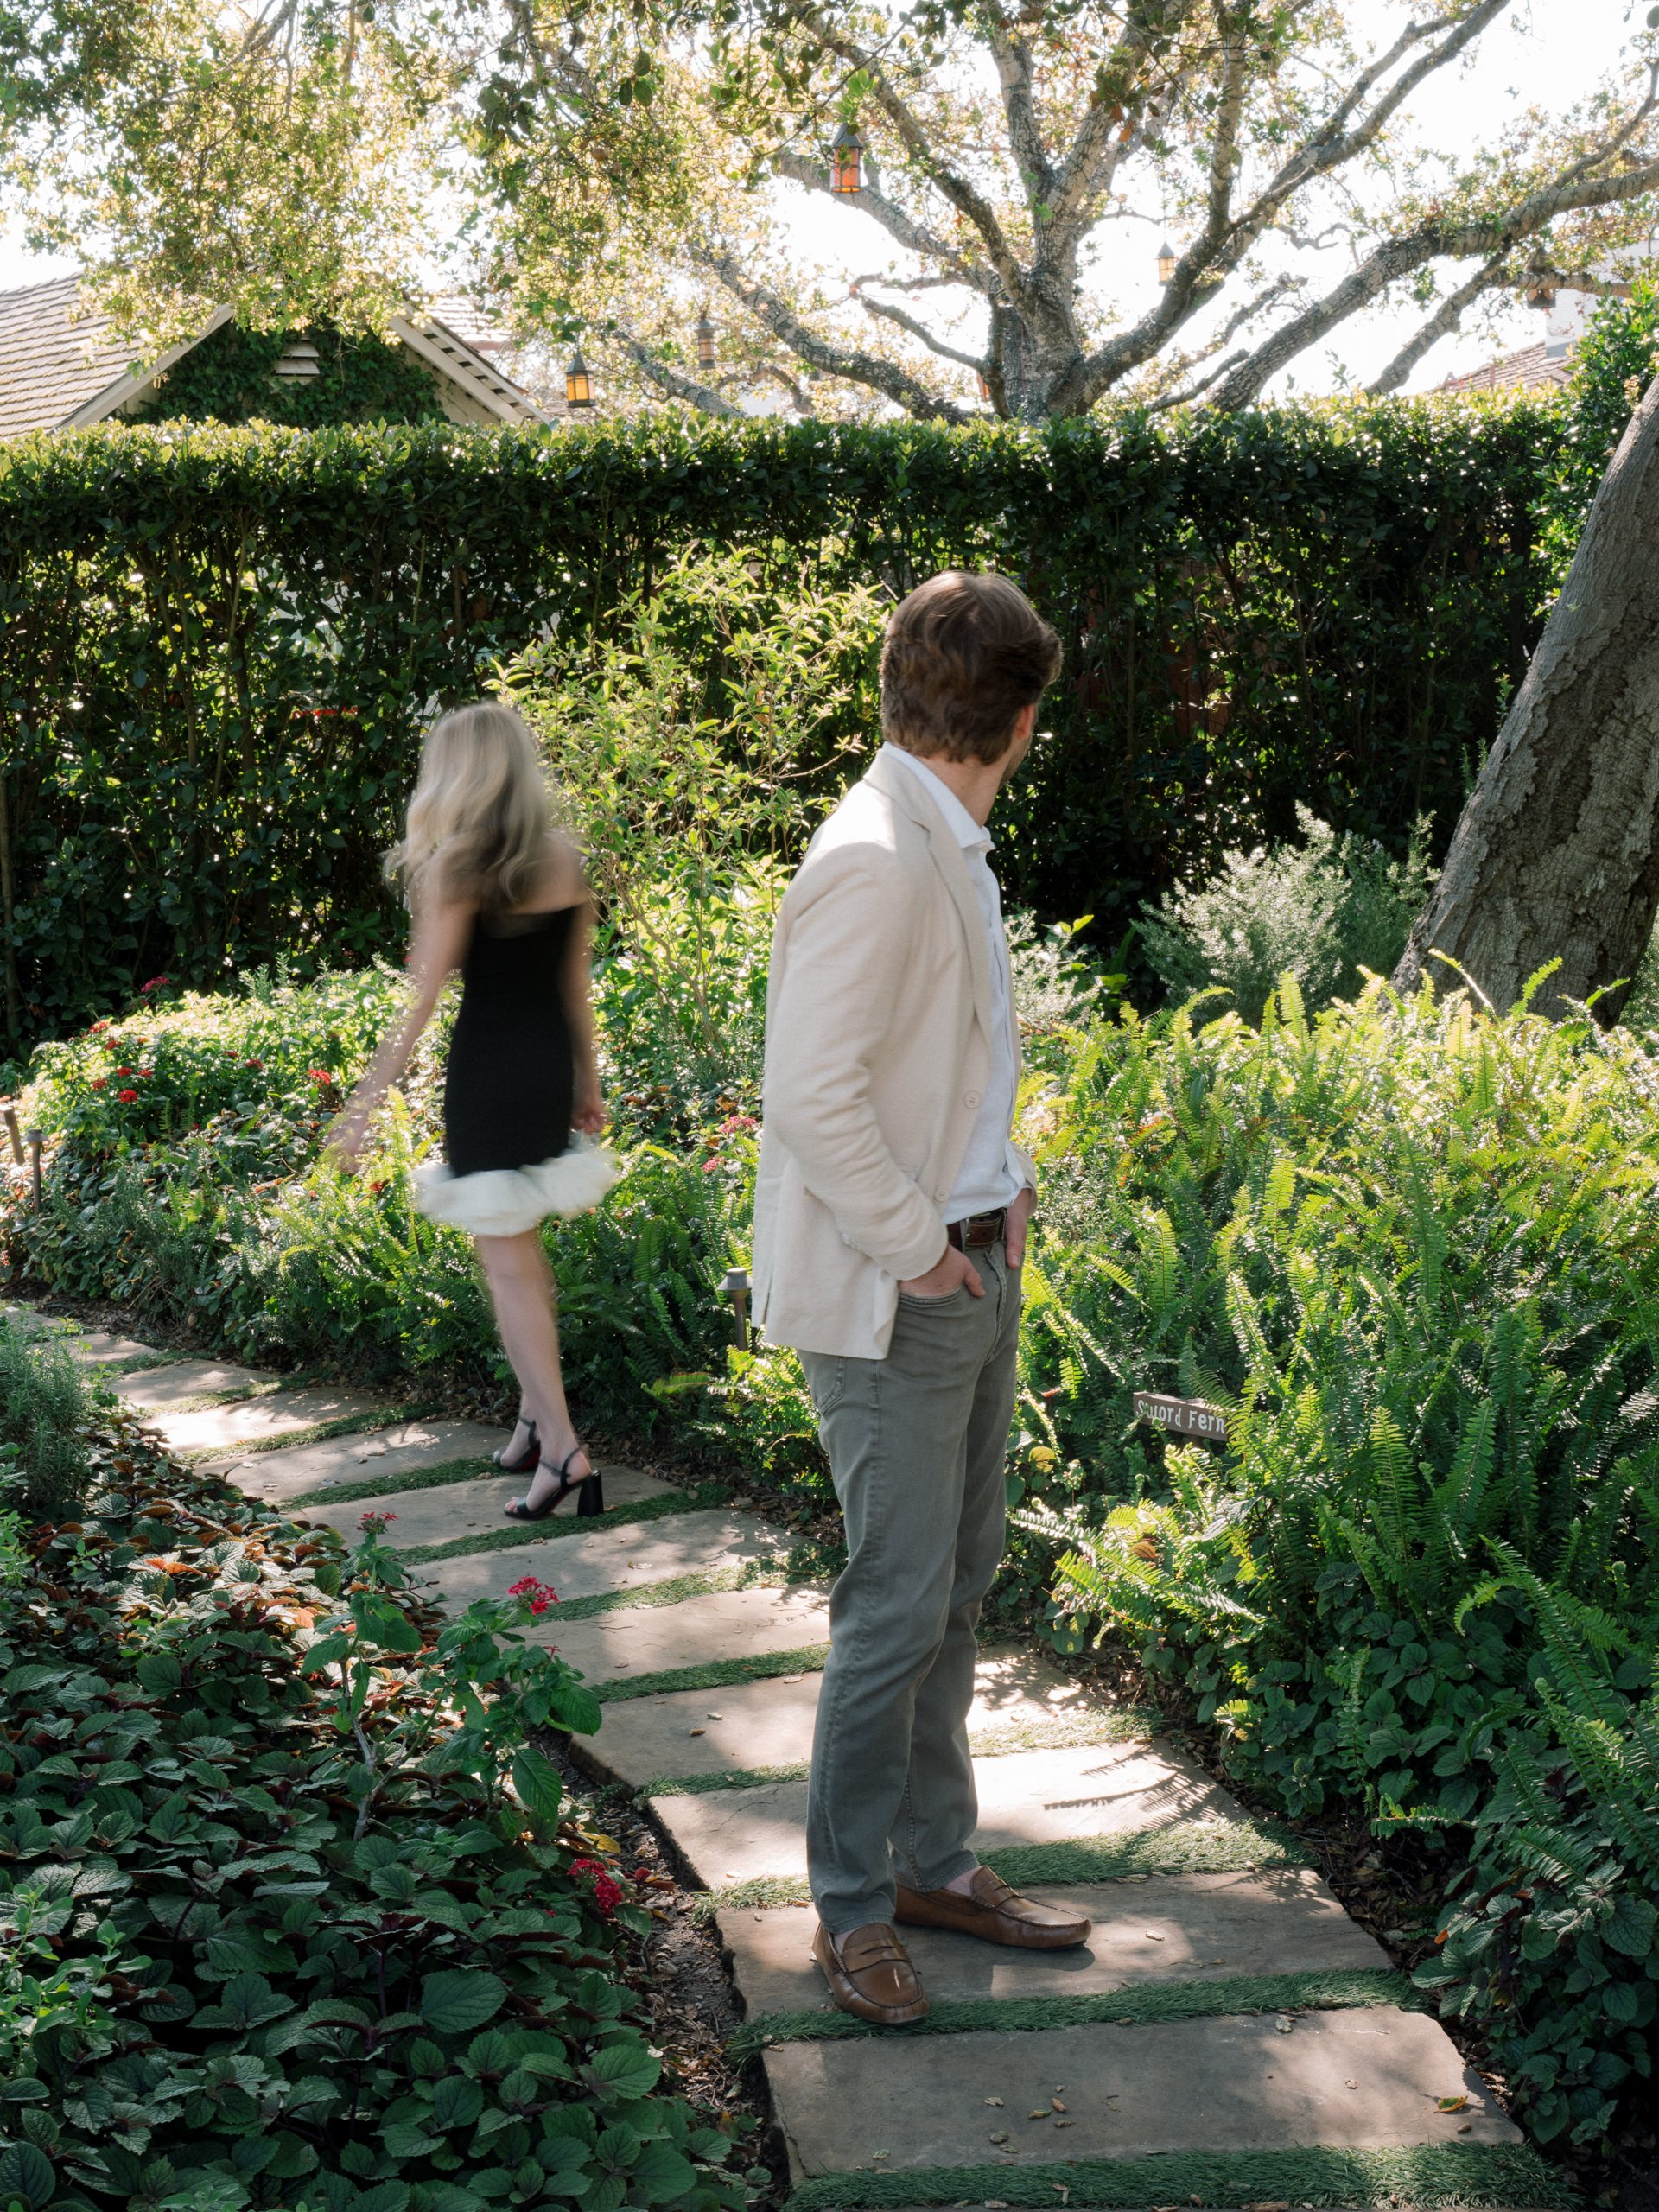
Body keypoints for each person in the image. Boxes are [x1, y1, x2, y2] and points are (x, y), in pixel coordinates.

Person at [753, 570, 1090, 2026]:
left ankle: (934, 1866)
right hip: (901, 1293)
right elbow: (810, 1100)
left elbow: (936, 1057)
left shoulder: (936, 833)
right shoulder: (879, 856)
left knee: (953, 1588)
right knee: (894, 1609)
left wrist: (997, 1184)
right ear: (1018, 720)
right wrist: (927, 1251)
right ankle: (848, 1911)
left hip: (968, 1256)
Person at [331, 701, 617, 1518]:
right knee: (519, 1253)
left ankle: (563, 1452)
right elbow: (574, 988)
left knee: (507, 1259)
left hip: (490, 1075)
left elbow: (420, 1000)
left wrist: (365, 1102)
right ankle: (534, 1417)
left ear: (455, 775)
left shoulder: (456, 869)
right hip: (546, 1069)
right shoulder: (563, 857)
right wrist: (586, 1081)